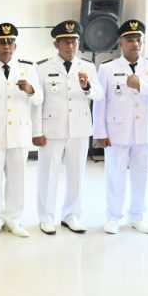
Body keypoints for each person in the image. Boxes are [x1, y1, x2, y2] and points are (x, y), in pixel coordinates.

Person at [93, 19, 148, 235]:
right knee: (114, 175)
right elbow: (100, 102)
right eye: (130, 39)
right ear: (120, 43)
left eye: (139, 39)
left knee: (141, 176)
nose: (135, 43)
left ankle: (137, 217)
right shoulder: (108, 68)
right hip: (117, 131)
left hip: (145, 131)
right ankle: (113, 217)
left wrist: (143, 85)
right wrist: (100, 132)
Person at [32, 21, 103, 235]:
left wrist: (87, 86)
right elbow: (37, 103)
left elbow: (99, 94)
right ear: (56, 44)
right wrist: (37, 131)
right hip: (52, 129)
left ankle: (71, 215)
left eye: (73, 41)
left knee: (77, 174)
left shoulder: (88, 67)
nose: (70, 46)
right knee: (48, 174)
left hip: (79, 129)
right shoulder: (42, 67)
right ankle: (46, 217)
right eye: (65, 41)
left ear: (78, 43)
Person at [0, 22, 43, 238]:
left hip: (20, 133)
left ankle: (13, 219)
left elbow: (39, 99)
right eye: (1, 42)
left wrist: (30, 90)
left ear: (15, 46)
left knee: (17, 178)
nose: (6, 46)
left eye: (10, 42)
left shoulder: (28, 68)